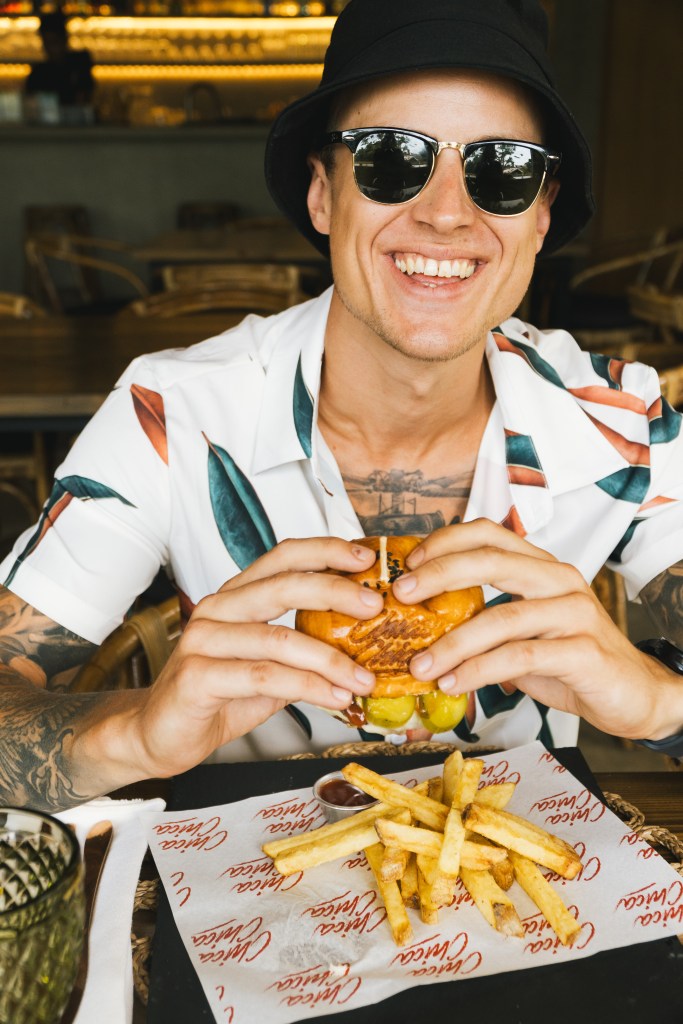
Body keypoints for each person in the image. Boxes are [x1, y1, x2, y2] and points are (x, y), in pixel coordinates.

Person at [2, 0, 682, 813]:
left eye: (502, 169)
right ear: (322, 195)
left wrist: (657, 702)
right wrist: (136, 734)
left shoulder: (622, 420)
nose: (445, 212)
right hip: (240, 869)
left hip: (518, 876)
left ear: (539, 212)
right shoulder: (172, 414)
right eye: (391, 158)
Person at [25, 11, 94, 110]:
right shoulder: (39, 72)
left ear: (64, 40)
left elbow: (84, 99)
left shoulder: (79, 63)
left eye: (54, 42)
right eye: (46, 43)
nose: (50, 48)